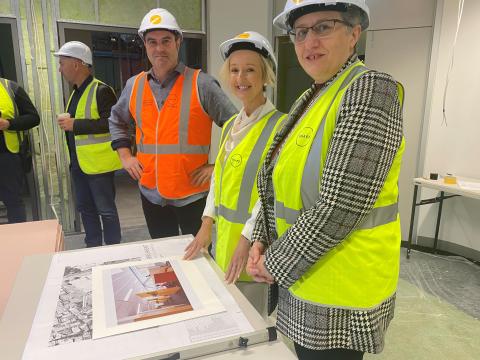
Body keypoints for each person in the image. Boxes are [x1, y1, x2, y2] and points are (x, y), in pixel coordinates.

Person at [246, 1, 405, 359]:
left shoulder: (370, 91)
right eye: (300, 32)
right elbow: (275, 183)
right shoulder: (311, 96)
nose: (308, 42)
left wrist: (271, 261)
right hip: (306, 279)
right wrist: (261, 236)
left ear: (354, 34)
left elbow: (341, 205)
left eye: (323, 27)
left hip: (340, 297)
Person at [109, 8, 236, 239]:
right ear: (145, 46)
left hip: (192, 194)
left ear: (178, 42)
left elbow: (239, 127)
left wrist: (217, 166)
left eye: (166, 40)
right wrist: (125, 157)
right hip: (151, 194)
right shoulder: (133, 86)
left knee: (199, 259)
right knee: (162, 258)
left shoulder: (202, 84)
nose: (159, 48)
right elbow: (116, 120)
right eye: (152, 42)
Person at [184, 32, 285, 315]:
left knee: (252, 320)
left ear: (265, 76)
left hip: (254, 247)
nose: (241, 78)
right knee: (228, 314)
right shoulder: (230, 125)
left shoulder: (281, 127)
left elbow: (271, 191)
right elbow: (218, 179)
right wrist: (206, 224)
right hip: (224, 242)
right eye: (235, 70)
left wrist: (248, 239)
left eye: (250, 70)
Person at [54, 41, 122, 247]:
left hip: (99, 166)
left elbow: (112, 123)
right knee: (85, 208)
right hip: (78, 164)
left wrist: (75, 124)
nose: (60, 69)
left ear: (77, 64)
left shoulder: (101, 90)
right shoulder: (75, 92)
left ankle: (113, 249)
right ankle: (92, 246)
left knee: (106, 210)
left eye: (62, 63)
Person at [0, 77, 40, 223]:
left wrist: (9, 124)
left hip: (7, 156)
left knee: (13, 202)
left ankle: (17, 241)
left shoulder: (10, 88)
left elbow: (34, 117)